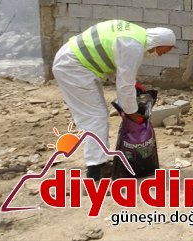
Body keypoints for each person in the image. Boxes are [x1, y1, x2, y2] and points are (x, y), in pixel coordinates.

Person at [51, 19, 176, 180]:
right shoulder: (133, 47)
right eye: (163, 51)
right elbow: (124, 86)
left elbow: (110, 60)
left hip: (74, 61)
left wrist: (133, 89)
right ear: (158, 44)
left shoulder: (134, 35)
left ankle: (99, 164)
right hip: (73, 67)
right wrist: (133, 113)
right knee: (94, 117)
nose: (161, 55)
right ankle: (95, 172)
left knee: (96, 116)